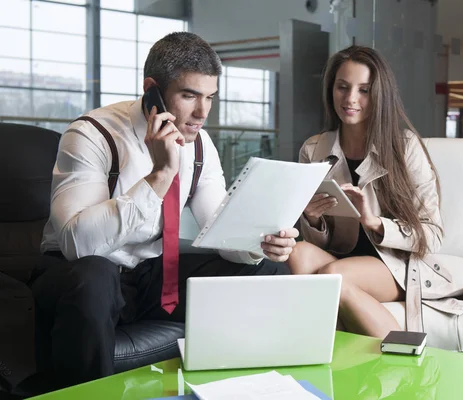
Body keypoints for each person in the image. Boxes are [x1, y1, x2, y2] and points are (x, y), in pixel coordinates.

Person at [29, 32, 298, 390]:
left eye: (210, 98)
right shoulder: (92, 134)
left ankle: (233, 388)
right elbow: (77, 245)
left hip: (153, 277)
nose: (202, 113)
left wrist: (258, 244)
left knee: (266, 268)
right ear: (152, 90)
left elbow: (219, 228)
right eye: (189, 96)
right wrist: (160, 175)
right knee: (94, 277)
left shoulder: (199, 143)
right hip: (78, 278)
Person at [286, 45, 463, 338]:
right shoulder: (314, 149)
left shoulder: (405, 148)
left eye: (364, 90)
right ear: (331, 90)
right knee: (298, 253)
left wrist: (375, 223)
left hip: (395, 265)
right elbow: (315, 239)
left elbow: (433, 234)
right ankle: (326, 350)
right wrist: (312, 220)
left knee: (330, 278)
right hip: (341, 257)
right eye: (342, 87)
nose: (350, 99)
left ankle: (404, 351)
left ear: (379, 96)